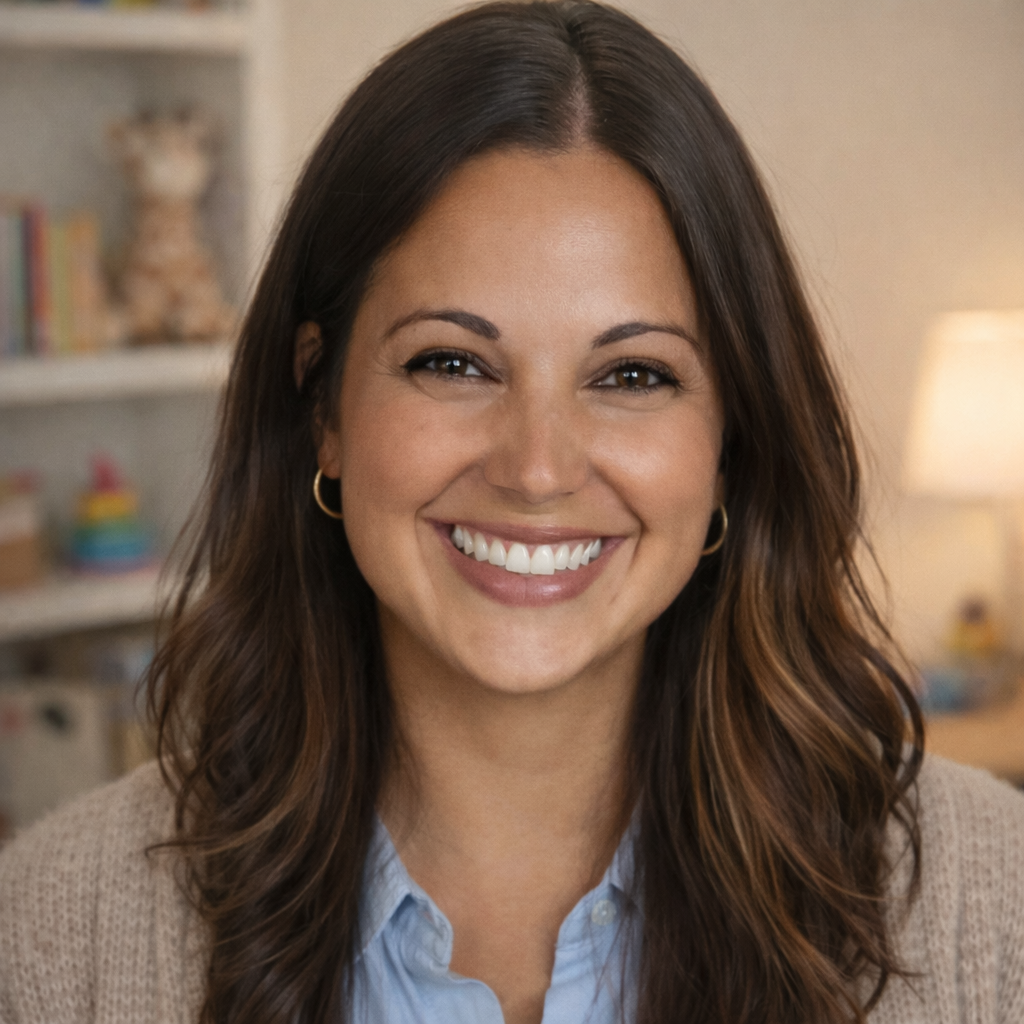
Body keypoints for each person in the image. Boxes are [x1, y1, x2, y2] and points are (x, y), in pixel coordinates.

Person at [2, 2, 1023, 1023]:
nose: (537, 467)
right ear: (323, 407)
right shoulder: (50, 932)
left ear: (728, 444)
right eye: (451, 362)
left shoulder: (993, 902)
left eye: (632, 373)